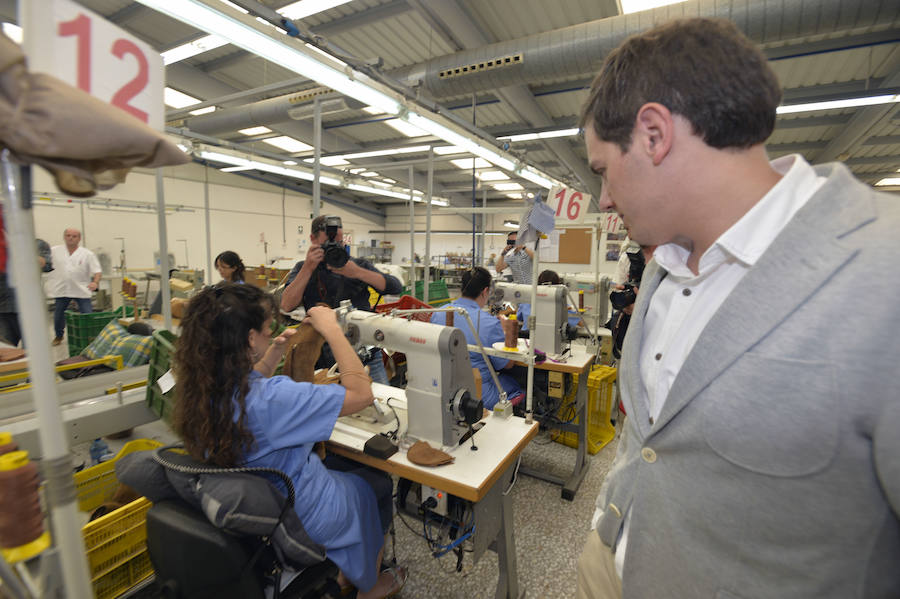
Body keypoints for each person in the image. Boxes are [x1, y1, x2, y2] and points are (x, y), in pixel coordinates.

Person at [576, 18, 900, 599]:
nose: (602, 199)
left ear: (653, 134)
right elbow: (651, 438)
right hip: (615, 562)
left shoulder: (882, 272)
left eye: (602, 170)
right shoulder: (664, 262)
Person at [173, 284, 407, 598]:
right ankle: (368, 584)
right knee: (376, 483)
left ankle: (347, 570)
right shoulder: (272, 399)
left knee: (341, 463)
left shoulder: (200, 389)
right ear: (248, 340)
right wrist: (333, 332)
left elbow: (248, 384)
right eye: (268, 330)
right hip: (301, 515)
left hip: (263, 499)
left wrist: (272, 354)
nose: (273, 333)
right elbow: (361, 394)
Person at [280, 215, 402, 384]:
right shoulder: (304, 268)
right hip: (321, 357)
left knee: (379, 403)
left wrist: (357, 272)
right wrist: (308, 268)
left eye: (338, 242)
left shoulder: (357, 265)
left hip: (364, 355)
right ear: (312, 240)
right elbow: (286, 304)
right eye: (328, 243)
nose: (334, 247)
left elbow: (395, 287)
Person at [430, 267, 523, 410]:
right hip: (477, 396)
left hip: (442, 387)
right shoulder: (490, 323)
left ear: (462, 288)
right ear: (485, 291)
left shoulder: (439, 313)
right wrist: (507, 332)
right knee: (517, 385)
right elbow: (507, 364)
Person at [0, 219, 52, 347]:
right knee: (8, 351)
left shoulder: (38, 244)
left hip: (29, 308)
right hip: (4, 308)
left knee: (33, 350)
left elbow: (45, 264)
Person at [47, 228, 101, 346]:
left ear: (79, 238)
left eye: (74, 236)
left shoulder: (87, 254)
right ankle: (58, 336)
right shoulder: (54, 251)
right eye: (68, 235)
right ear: (64, 237)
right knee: (59, 314)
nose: (71, 238)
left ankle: (90, 336)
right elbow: (43, 262)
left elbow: (97, 271)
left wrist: (95, 282)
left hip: (81, 289)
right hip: (62, 288)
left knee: (87, 314)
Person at [516, 269, 584, 332]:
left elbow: (519, 318)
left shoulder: (527, 301)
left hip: (527, 340)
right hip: (548, 341)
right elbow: (581, 324)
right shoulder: (560, 305)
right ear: (557, 285)